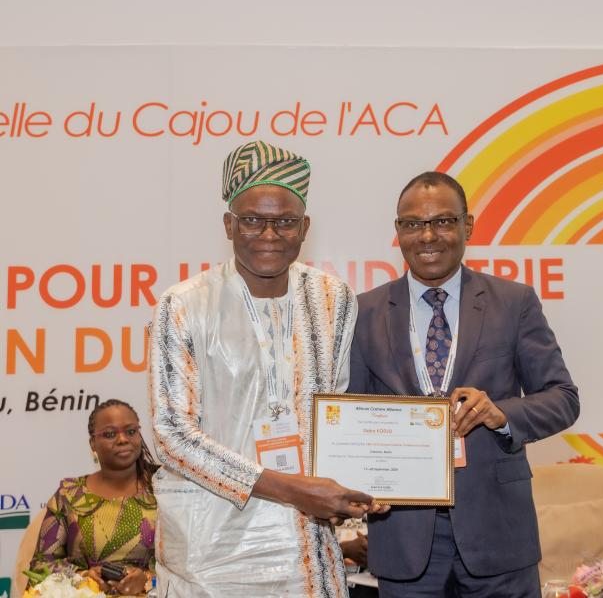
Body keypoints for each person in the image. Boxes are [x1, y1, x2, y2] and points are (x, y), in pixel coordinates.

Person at [149, 140, 387, 598]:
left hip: (306, 538)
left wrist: (370, 476)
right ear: (229, 224)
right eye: (252, 220)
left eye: (285, 221)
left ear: (305, 227)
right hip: (213, 542)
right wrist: (292, 489)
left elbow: (335, 410)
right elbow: (173, 437)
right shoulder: (184, 304)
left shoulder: (332, 297)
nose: (269, 234)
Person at [348, 171, 579, 597]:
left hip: (498, 533)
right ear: (398, 231)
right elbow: (352, 415)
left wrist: (501, 413)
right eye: (413, 224)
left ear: (467, 226)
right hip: (404, 536)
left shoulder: (514, 303)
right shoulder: (364, 312)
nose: (427, 236)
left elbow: (563, 398)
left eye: (442, 221)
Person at [30, 399, 158, 596]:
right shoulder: (69, 494)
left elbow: (192, 564)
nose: (122, 439)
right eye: (110, 434)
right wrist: (84, 578)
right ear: (92, 444)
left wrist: (147, 580)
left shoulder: (165, 490)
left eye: (131, 431)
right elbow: (41, 566)